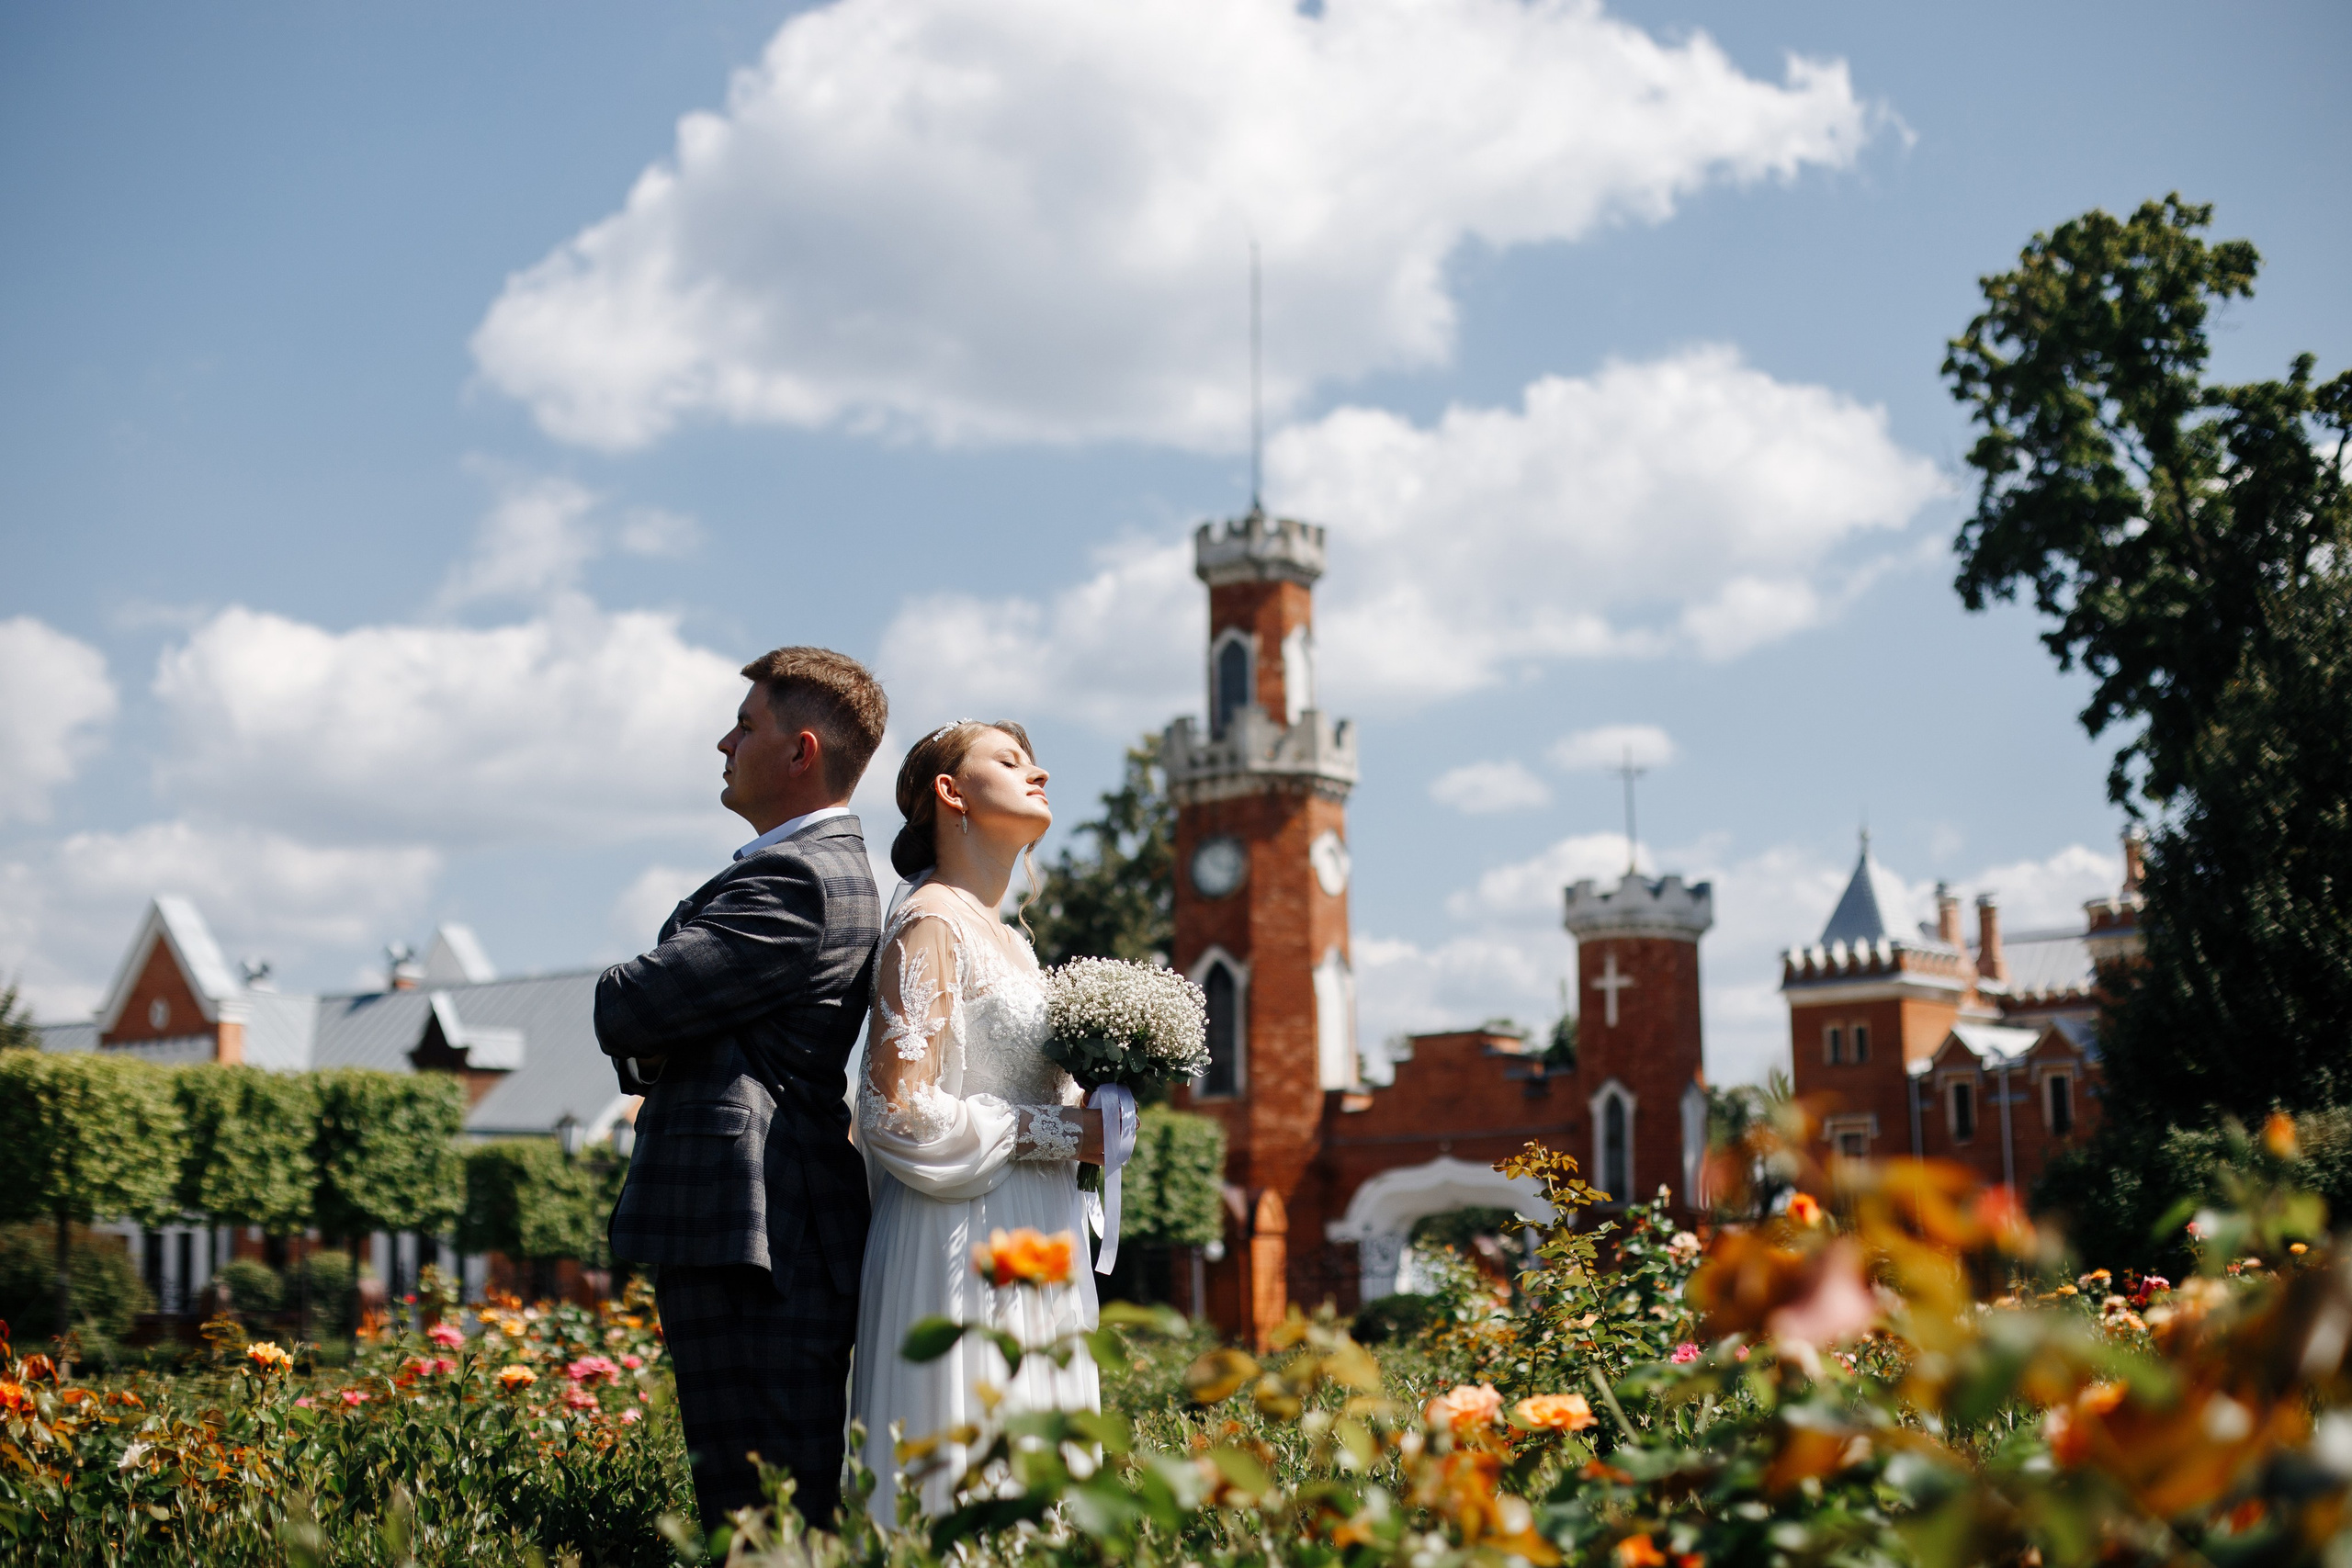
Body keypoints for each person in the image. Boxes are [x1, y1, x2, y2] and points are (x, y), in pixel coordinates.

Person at [594, 646, 888, 1532]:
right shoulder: (802, 872)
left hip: (762, 1235)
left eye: (747, 724)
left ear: (801, 751)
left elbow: (628, 1000)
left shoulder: (800, 878)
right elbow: (656, 1024)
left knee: (759, 1516)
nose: (724, 742)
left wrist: (669, 1034)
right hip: (763, 1234)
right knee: (760, 1507)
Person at [850, 720, 1106, 1522]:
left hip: (1037, 1230)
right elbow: (894, 1110)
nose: (1041, 772)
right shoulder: (931, 920)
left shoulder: (1015, 943)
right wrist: (1065, 1134)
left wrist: (1100, 1111)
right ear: (950, 793)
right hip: (955, 1232)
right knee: (963, 1465)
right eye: (1010, 760)